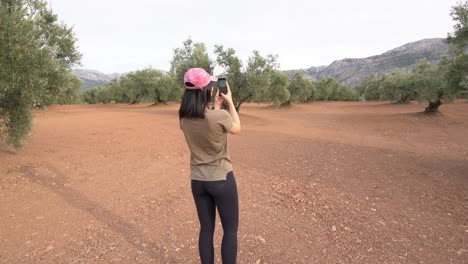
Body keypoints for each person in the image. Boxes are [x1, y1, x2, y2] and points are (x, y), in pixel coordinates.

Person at [179, 68, 241, 264]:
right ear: (205, 90)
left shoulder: (183, 118)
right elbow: (237, 128)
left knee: (206, 229)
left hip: (198, 181)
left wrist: (214, 107)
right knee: (230, 230)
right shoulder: (220, 116)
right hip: (221, 179)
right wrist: (229, 102)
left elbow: (204, 121)